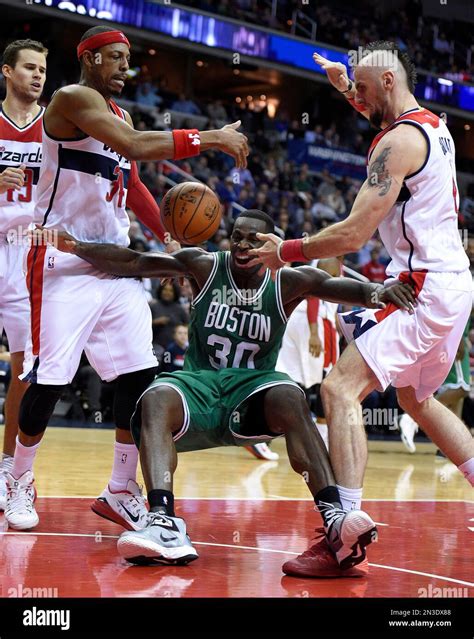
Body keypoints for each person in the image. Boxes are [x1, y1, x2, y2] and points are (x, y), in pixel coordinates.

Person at [45, 209, 416, 575]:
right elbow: (135, 261)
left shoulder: (287, 280)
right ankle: (163, 522)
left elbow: (340, 287)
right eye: (237, 235)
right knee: (154, 396)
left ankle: (335, 519)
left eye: (254, 239)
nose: (242, 244)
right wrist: (76, 245)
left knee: (291, 395)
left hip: (252, 394)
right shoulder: (204, 265)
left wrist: (380, 291)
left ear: (272, 242)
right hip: (201, 387)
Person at [4, 25, 249, 532]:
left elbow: (133, 182)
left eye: (127, 58)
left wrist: (170, 238)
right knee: (50, 380)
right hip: (61, 259)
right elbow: (136, 146)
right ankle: (20, 479)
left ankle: (119, 489)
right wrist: (212, 137)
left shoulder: (119, 114)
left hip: (116, 262)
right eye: (114, 57)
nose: (124, 66)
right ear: (89, 59)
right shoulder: (71, 100)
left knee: (138, 378)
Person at [249, 41, 474, 575]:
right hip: (453, 282)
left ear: (389, 83)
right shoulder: (431, 126)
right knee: (416, 398)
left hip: (422, 287)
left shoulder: (395, 143)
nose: (360, 97)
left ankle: (342, 533)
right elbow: (379, 107)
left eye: (366, 87)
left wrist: (284, 251)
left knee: (338, 387)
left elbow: (352, 234)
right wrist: (345, 86)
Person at [0, 39, 47, 511]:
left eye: (42, 70)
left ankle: (9, 468)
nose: (37, 76)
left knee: (26, 367)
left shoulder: (54, 124)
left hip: (25, 251)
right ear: (7, 72)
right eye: (29, 68)